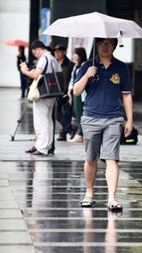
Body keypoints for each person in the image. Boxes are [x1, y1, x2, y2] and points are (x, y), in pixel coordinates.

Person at [73, 37, 133, 211]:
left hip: (114, 118)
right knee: (91, 158)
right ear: (97, 46)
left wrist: (129, 119)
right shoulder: (86, 66)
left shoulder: (121, 67)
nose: (105, 47)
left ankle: (112, 198)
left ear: (114, 46)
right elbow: (76, 91)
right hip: (91, 117)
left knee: (111, 158)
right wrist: (86, 75)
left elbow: (127, 94)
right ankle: (89, 193)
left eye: (109, 43)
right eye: (102, 43)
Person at [20, 40, 61, 156]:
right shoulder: (53, 59)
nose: (35, 55)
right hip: (52, 93)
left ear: (38, 49)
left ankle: (42, 148)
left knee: (41, 121)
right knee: (48, 120)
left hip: (43, 94)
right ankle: (47, 146)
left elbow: (36, 75)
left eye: (34, 53)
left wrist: (24, 70)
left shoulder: (44, 59)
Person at [53, 44, 75, 141]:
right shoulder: (54, 64)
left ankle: (63, 132)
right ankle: (69, 129)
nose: (57, 54)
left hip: (67, 94)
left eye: (59, 51)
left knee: (67, 114)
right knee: (56, 113)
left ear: (64, 52)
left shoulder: (70, 64)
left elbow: (73, 79)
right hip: (56, 92)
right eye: (55, 52)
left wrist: (70, 92)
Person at [67, 47, 88, 143]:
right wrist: (70, 89)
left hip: (82, 93)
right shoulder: (76, 66)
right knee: (77, 113)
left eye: (75, 53)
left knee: (81, 114)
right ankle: (80, 133)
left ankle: (81, 134)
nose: (74, 56)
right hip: (75, 93)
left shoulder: (85, 65)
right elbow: (72, 79)